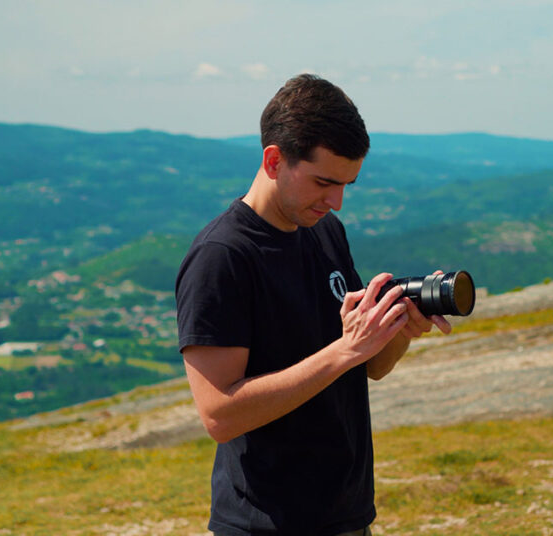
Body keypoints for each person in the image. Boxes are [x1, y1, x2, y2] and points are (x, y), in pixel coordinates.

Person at [175, 74, 452, 536]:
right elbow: (219, 415)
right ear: (274, 160)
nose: (337, 201)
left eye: (347, 184)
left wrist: (398, 329)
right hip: (267, 524)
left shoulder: (323, 229)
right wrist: (344, 351)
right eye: (324, 181)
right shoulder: (222, 257)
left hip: (346, 514)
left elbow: (368, 367)